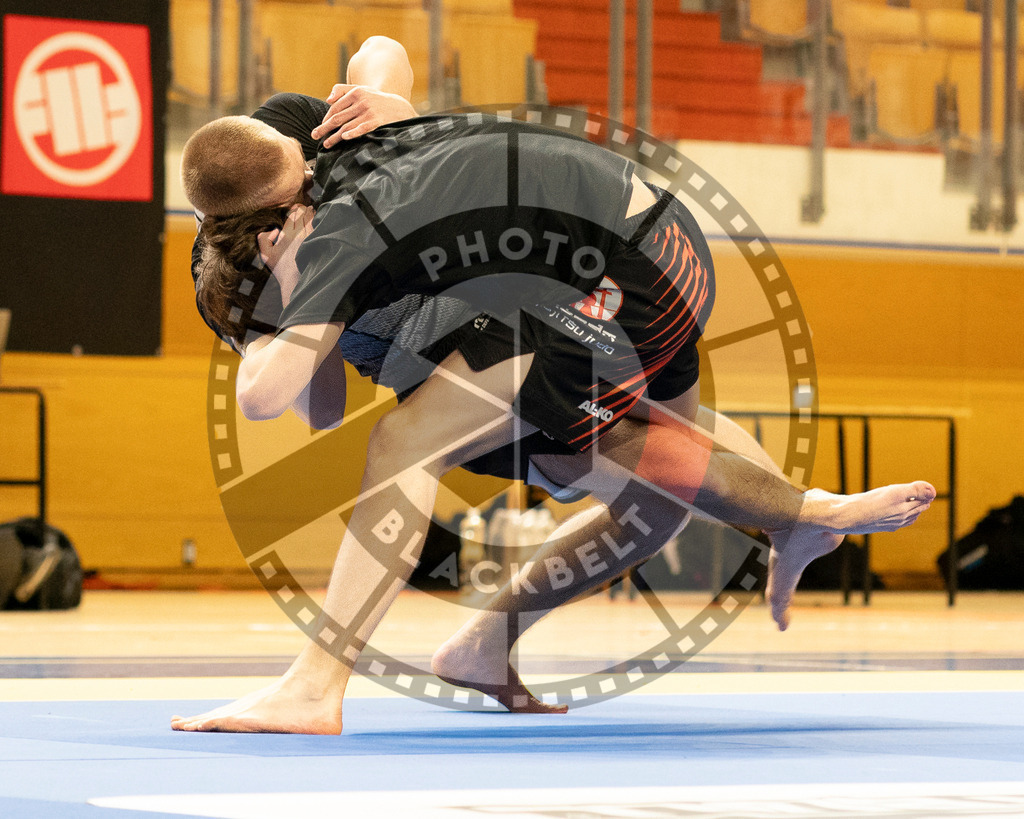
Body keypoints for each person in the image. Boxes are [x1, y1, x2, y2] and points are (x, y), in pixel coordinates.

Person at [171, 38, 935, 733]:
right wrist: (386, 105)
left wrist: (380, 106)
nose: (315, 176)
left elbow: (273, 399)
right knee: (650, 503)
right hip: (619, 247)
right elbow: (314, 399)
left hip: (612, 268)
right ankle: (485, 642)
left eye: (306, 173)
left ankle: (316, 685)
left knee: (420, 443)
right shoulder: (283, 192)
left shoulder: (325, 226)